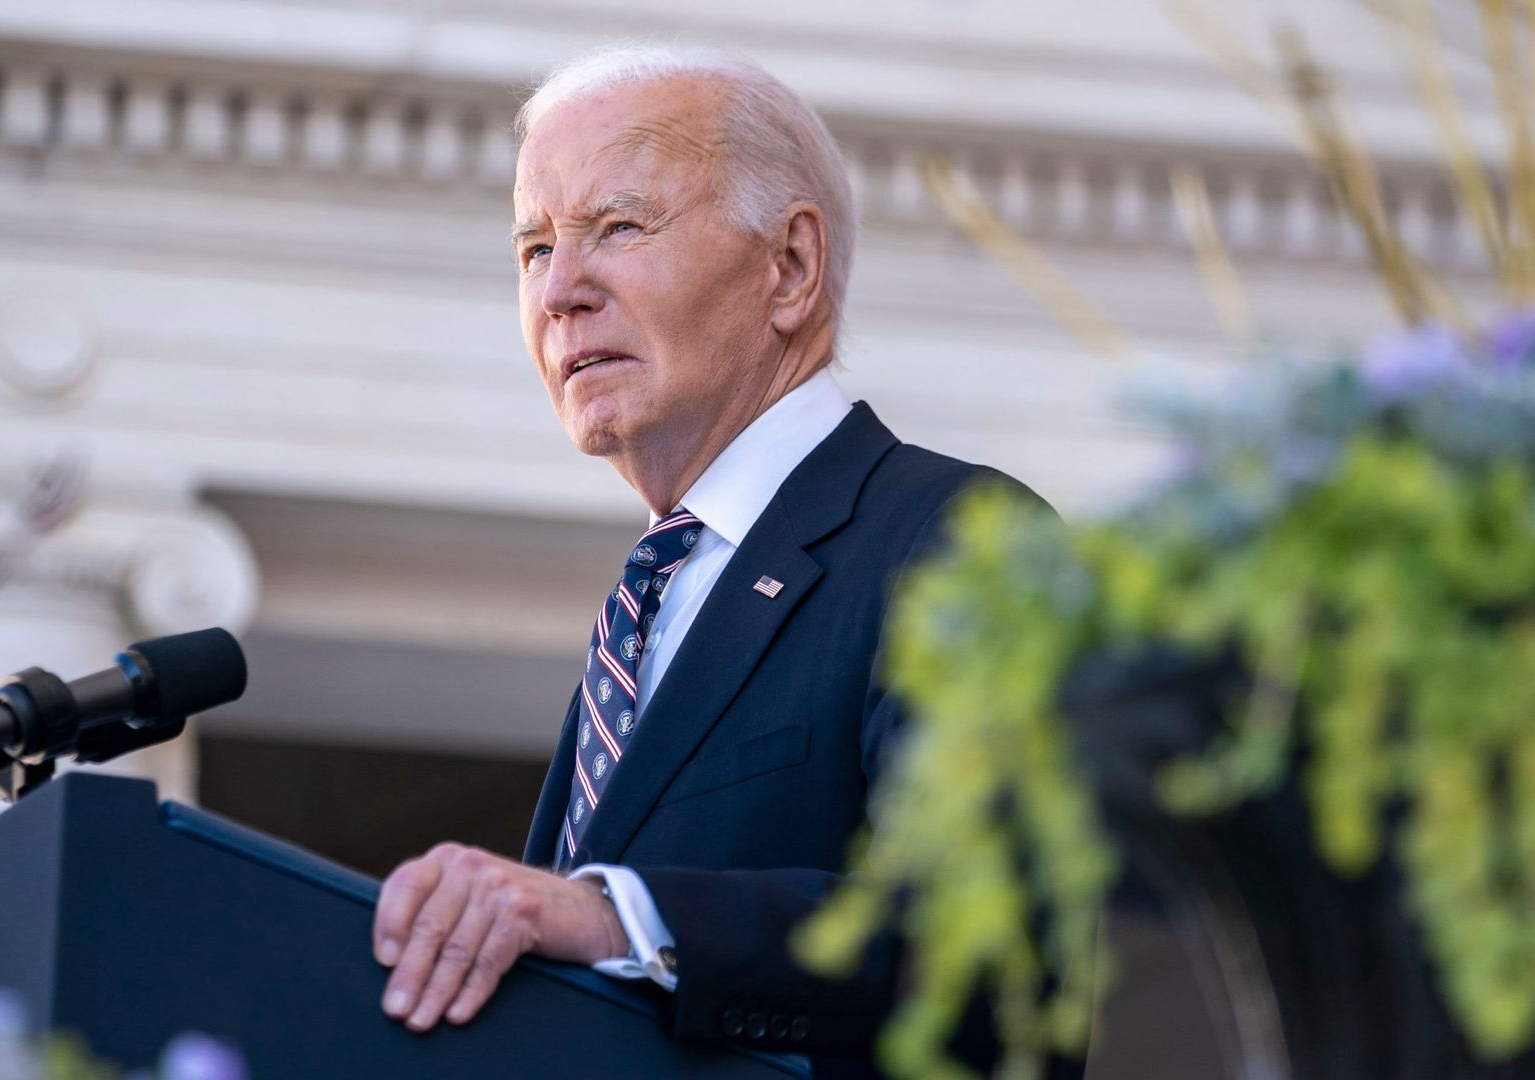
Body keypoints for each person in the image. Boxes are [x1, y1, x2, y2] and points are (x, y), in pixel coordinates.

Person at [369, 45, 1045, 1075]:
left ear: (790, 269)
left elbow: (986, 945)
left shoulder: (957, 537)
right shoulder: (650, 604)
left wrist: (618, 919)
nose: (560, 292)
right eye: (533, 248)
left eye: (619, 228)